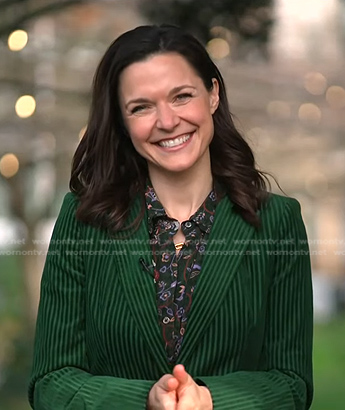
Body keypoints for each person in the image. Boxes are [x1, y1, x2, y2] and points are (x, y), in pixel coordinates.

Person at [28, 25, 313, 410]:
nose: (166, 121)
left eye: (181, 96)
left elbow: (291, 383)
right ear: (122, 121)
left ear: (212, 94)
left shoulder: (278, 223)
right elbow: (51, 381)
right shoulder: (82, 220)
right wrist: (144, 399)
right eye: (141, 107)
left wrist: (211, 400)